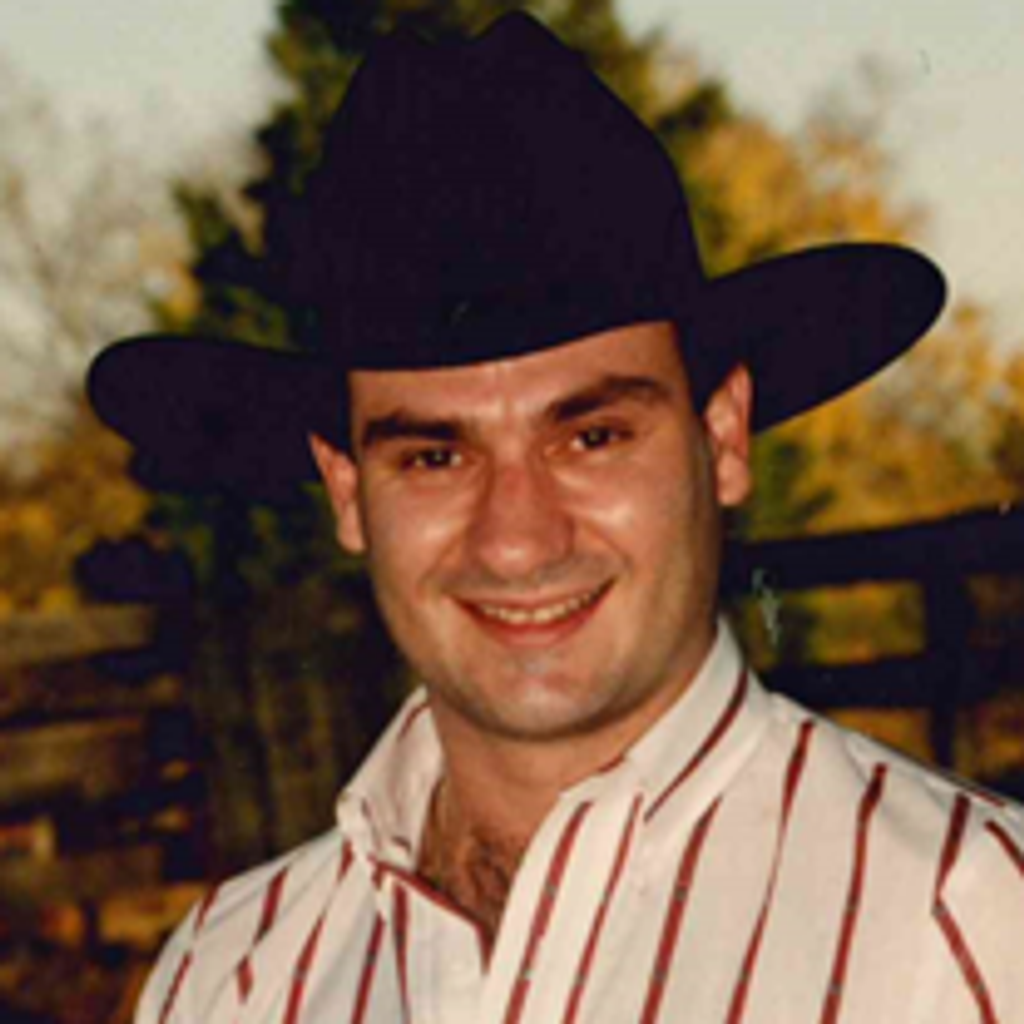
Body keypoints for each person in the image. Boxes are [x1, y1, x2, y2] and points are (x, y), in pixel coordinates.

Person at [89, 13, 1024, 1024]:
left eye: (592, 438)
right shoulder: (231, 977)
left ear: (721, 438)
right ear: (350, 492)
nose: (517, 540)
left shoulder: (968, 929)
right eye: (435, 456)